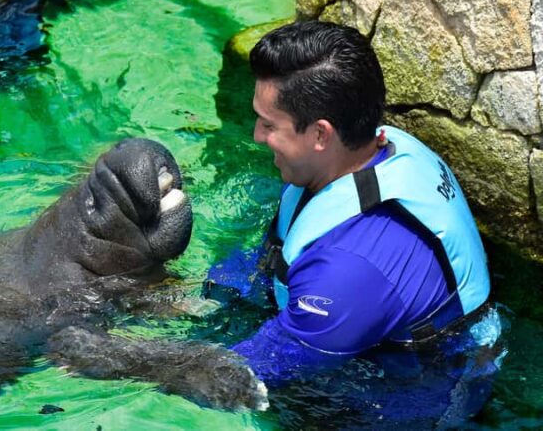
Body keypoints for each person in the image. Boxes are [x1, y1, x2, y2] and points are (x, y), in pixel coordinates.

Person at [203, 21, 499, 401]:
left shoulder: (349, 268)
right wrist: (197, 299)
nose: (257, 137)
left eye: (268, 125)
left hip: (404, 398)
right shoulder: (369, 149)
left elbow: (238, 378)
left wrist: (116, 359)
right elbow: (266, 260)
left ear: (321, 135)